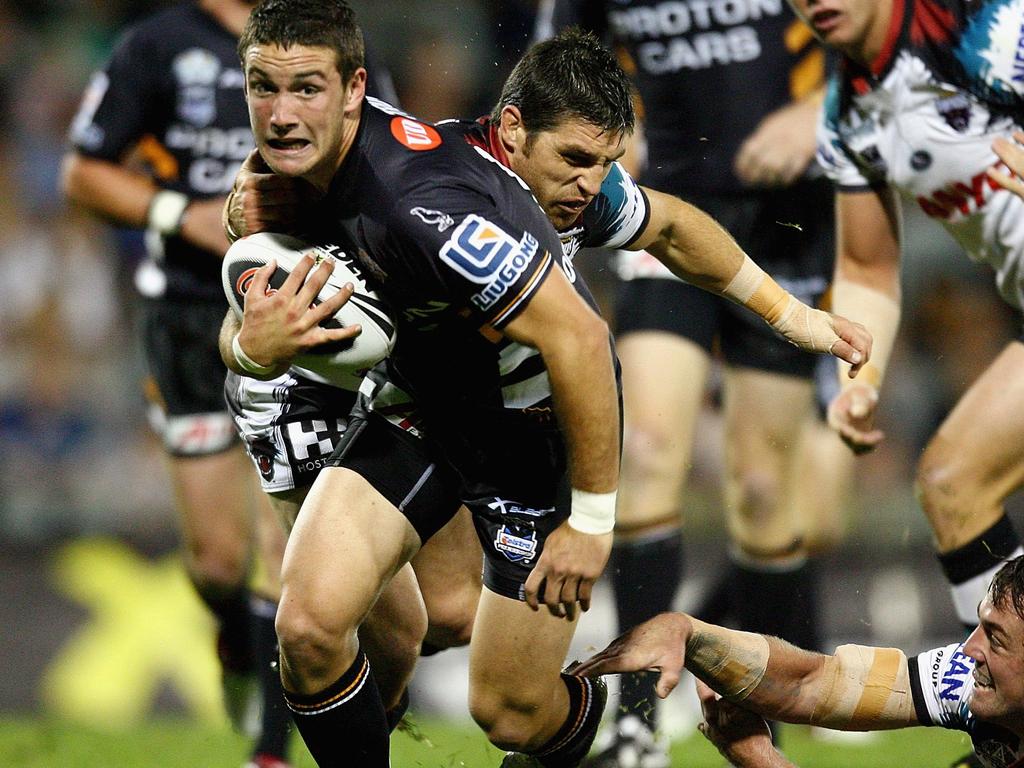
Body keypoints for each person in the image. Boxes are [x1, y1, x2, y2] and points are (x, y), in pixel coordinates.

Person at [223, 5, 870, 765]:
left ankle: (583, 730)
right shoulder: (416, 196)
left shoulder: (551, 182)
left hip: (535, 442)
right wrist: (250, 352)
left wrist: (792, 317)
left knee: (511, 714)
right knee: (306, 624)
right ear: (511, 129)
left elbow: (653, 248)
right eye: (575, 160)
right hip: (422, 413)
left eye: (605, 162)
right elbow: (253, 294)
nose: (591, 185)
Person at [535, 2, 851, 763]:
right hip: (667, 215)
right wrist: (614, 135)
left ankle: (756, 726)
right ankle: (637, 722)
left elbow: (887, 41)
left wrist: (821, 111)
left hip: (788, 218)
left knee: (766, 492)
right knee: (642, 449)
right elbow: (556, 57)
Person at [60, 3, 293, 766]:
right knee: (218, 562)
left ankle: (269, 748)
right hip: (188, 319)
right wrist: (178, 213)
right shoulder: (157, 47)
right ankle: (236, 637)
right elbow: (83, 172)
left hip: (290, 307)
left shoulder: (315, 33)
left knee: (279, 531)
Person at [787, 0, 1024, 635]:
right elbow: (867, 266)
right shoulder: (846, 114)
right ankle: (1014, 719)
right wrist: (858, 382)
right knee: (953, 485)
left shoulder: (983, 26)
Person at [572, 554, 1024, 768]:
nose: (969, 650)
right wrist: (691, 634)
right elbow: (815, 683)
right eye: (980, 626)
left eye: (996, 639)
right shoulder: (965, 679)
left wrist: (761, 760)